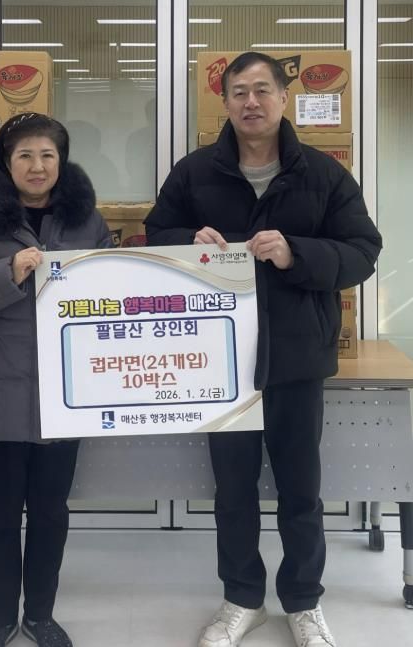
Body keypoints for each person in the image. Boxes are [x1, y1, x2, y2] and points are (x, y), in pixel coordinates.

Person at [145, 52, 382, 647]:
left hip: (298, 357)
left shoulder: (323, 174)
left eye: (262, 90)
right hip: (220, 360)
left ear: (283, 98)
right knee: (233, 492)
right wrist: (187, 241)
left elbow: (363, 251)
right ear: (225, 102)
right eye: (239, 92)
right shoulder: (194, 172)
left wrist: (296, 253)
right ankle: (242, 600)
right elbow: (155, 235)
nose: (250, 102)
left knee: (301, 490)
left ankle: (303, 602)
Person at [0, 112, 112, 647]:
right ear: (7, 164)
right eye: (25, 155)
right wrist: (5, 274)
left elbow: (113, 290)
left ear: (62, 161)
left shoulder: (87, 222)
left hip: (65, 391)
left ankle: (41, 615)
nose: (37, 166)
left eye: (47, 155)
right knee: (0, 514)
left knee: (51, 513)